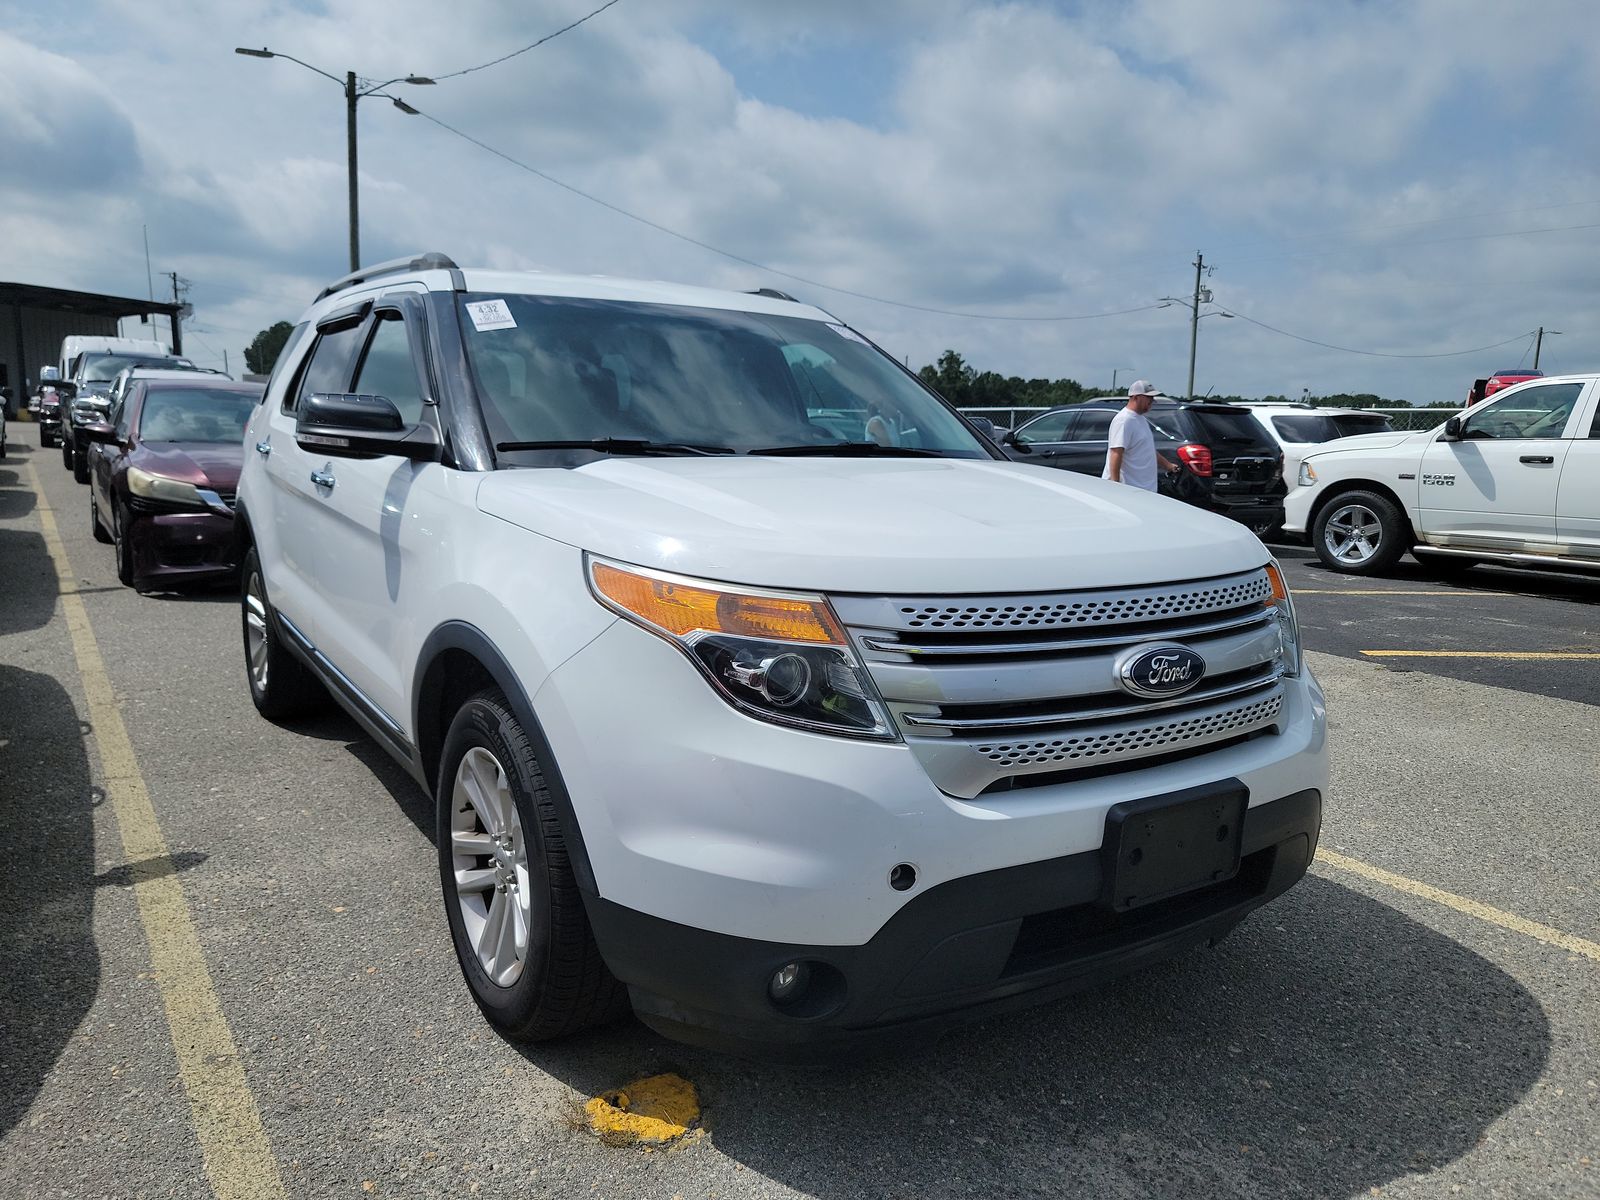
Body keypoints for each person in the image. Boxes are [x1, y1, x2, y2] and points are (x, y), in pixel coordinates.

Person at [1103, 380, 1178, 491]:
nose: (1152, 400)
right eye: (1148, 397)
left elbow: (1147, 449)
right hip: (1128, 491)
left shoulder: (1140, 419)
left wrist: (1168, 466)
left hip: (1142, 491)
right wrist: (1116, 487)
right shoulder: (1123, 420)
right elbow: (1116, 453)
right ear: (1136, 397)